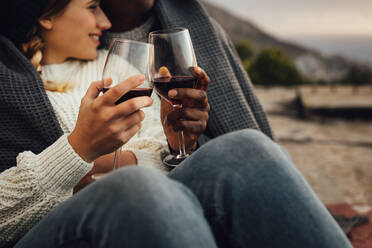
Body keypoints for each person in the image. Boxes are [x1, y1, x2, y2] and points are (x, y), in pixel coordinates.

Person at [0, 0, 352, 248]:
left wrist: (176, 146)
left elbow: (164, 166)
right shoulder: (8, 83)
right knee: (137, 186)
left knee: (246, 149)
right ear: (47, 14)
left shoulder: (113, 68)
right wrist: (78, 151)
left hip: (146, 201)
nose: (105, 23)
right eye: (93, 6)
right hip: (54, 228)